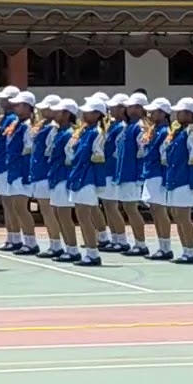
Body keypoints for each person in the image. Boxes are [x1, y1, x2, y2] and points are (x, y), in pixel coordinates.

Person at [161, 97, 193, 264]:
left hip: (184, 179)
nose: (177, 114)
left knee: (184, 217)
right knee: (176, 215)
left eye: (181, 111)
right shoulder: (177, 132)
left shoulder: (192, 132)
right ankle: (185, 250)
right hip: (173, 177)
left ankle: (191, 251)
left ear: (189, 114)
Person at [68, 96, 109, 266]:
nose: (84, 113)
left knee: (85, 217)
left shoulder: (97, 133)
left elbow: (98, 159)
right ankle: (90, 252)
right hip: (78, 176)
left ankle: (93, 253)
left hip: (88, 178)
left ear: (97, 114)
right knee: (81, 217)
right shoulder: (84, 131)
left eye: (88, 111)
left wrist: (98, 184)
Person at [113, 93, 151, 256]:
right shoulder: (130, 126)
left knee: (131, 208)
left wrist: (139, 176)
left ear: (140, 108)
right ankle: (136, 242)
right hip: (124, 172)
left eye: (132, 106)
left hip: (132, 174)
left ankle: (141, 244)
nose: (127, 109)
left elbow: (142, 153)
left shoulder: (140, 126)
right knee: (127, 208)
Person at [3, 90, 39, 253]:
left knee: (21, 207)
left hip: (22, 171)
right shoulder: (16, 124)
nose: (15, 107)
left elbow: (29, 150)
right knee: (15, 207)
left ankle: (31, 242)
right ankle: (24, 240)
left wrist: (25, 174)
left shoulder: (28, 126)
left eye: (19, 105)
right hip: (13, 169)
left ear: (27, 107)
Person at [46, 99, 81, 262]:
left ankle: (73, 249)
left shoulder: (69, 134)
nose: (55, 113)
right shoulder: (59, 132)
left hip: (64, 177)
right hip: (55, 176)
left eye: (59, 111)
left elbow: (71, 158)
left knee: (65, 215)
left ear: (67, 114)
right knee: (58, 214)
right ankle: (68, 248)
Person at [29, 94, 64, 257]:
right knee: (46, 211)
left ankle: (56, 245)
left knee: (49, 211)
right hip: (38, 173)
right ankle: (54, 244)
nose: (42, 110)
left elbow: (50, 152)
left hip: (45, 174)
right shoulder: (42, 126)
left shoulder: (52, 128)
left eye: (46, 108)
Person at [140, 98, 174, 260]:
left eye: (154, 111)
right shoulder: (154, 130)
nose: (150, 113)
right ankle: (162, 245)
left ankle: (166, 247)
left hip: (159, 174)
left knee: (160, 210)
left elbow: (165, 156)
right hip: (150, 172)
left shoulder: (165, 132)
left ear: (163, 113)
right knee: (154, 210)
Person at [0, 85, 22, 250]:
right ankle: (11, 236)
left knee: (11, 204)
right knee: (6, 203)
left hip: (7, 166)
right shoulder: (2, 119)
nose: (2, 101)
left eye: (5, 98)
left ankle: (16, 237)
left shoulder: (13, 120)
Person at [100, 94, 131, 251]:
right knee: (107, 206)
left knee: (112, 206)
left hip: (112, 170)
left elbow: (116, 152)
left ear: (122, 108)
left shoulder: (122, 127)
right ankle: (115, 238)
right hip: (106, 169)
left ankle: (122, 240)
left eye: (114, 107)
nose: (110, 109)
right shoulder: (113, 126)